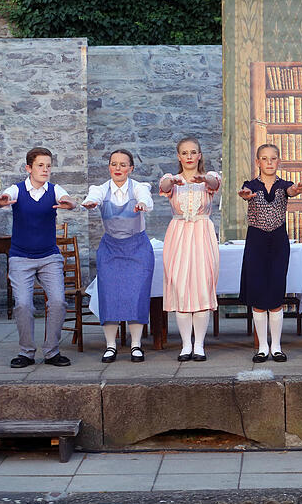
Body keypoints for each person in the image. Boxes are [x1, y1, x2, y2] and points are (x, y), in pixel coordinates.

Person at [0, 147, 76, 368]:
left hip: (49, 257)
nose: (45, 169)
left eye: (48, 165)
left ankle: (51, 352)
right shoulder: (17, 189)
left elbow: (68, 199)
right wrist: (1, 201)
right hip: (21, 257)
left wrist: (70, 203)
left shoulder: (54, 189)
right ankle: (26, 352)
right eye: (40, 165)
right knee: (23, 305)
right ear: (28, 168)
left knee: (59, 302)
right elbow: (3, 198)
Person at [81, 149, 154, 363]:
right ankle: (110, 346)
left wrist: (143, 205)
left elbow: (146, 200)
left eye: (123, 164)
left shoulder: (139, 187)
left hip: (138, 248)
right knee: (108, 295)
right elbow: (92, 197)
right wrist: (90, 203)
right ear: (109, 167)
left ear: (131, 168)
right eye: (114, 164)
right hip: (111, 249)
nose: (118, 168)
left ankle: (136, 345)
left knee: (137, 294)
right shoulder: (100, 189)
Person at [237, 143, 302, 363]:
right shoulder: (250, 185)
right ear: (258, 162)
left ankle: (276, 346)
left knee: (276, 291)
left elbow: (290, 190)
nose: (269, 162)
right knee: (258, 292)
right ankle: (262, 347)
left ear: (278, 161)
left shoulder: (283, 184)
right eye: (264, 159)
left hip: (278, 241)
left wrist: (296, 190)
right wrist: (246, 195)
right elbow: (246, 194)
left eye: (273, 159)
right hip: (256, 240)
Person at [159, 137, 221, 362]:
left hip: (202, 233)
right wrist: (172, 182)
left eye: (193, 152)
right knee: (181, 286)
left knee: (202, 285)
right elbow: (164, 186)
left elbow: (214, 183)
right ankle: (186, 345)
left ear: (199, 155)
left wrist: (205, 178)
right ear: (179, 156)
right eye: (184, 153)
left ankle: (199, 345)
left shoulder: (209, 178)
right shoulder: (170, 178)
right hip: (179, 234)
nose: (189, 156)